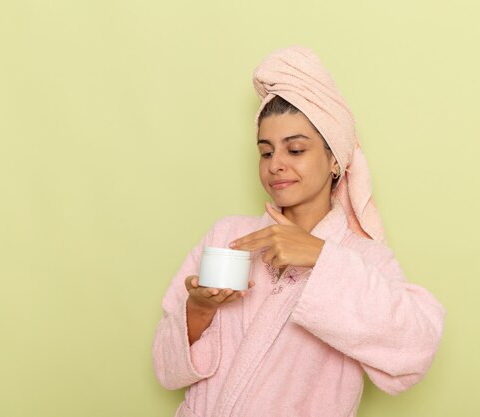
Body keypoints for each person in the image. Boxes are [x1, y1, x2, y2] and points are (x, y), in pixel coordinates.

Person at [153, 46, 445, 417]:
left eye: (295, 150)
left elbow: (416, 349)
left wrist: (321, 258)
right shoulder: (228, 236)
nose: (276, 165)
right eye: (266, 151)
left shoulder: (363, 258)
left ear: (333, 161)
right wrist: (199, 308)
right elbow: (165, 367)